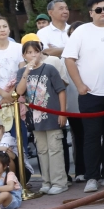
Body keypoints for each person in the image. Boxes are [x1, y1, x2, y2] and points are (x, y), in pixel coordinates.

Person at [64, 0, 104, 193]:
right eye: (98, 10)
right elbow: (69, 60)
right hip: (90, 93)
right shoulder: (81, 31)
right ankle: (92, 177)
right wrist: (79, 85)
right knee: (91, 136)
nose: (103, 13)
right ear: (91, 13)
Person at [16, 39, 68, 195]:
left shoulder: (49, 69)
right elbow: (19, 92)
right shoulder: (21, 72)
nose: (33, 55)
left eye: (36, 52)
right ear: (24, 55)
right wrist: (26, 72)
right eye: (29, 52)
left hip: (52, 115)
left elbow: (61, 91)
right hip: (35, 119)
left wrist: (62, 112)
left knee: (55, 149)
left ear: (41, 53)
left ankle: (59, 182)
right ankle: (46, 181)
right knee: (42, 150)